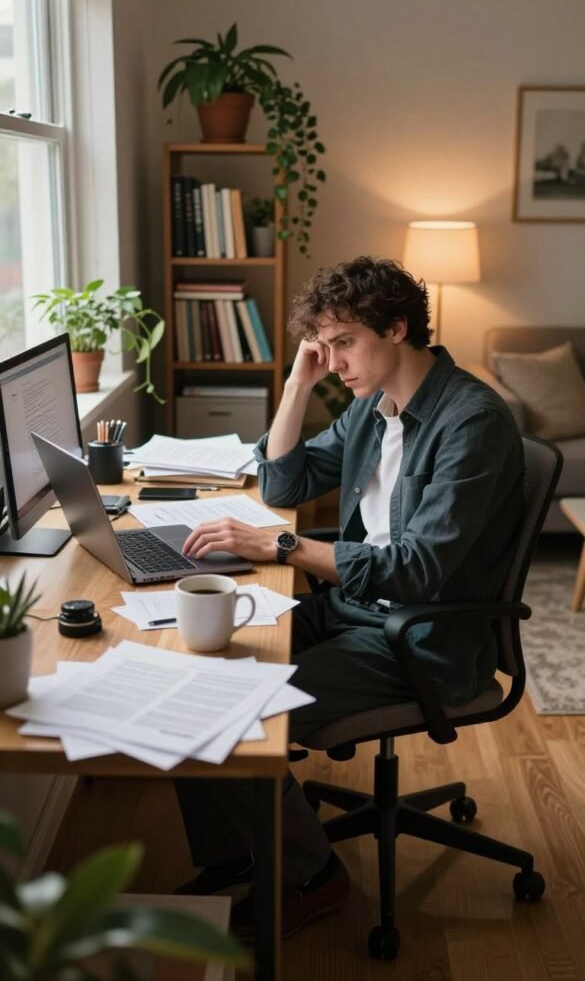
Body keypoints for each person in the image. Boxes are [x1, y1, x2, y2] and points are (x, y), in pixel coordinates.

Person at [174, 255, 524, 938]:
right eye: (323, 347)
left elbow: (419, 569)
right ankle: (242, 855)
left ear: (397, 328)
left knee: (232, 715)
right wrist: (296, 385)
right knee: (196, 673)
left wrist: (279, 549)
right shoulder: (371, 408)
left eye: (344, 344)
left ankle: (314, 877)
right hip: (356, 609)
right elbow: (281, 488)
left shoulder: (470, 422)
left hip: (420, 638)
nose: (333, 361)